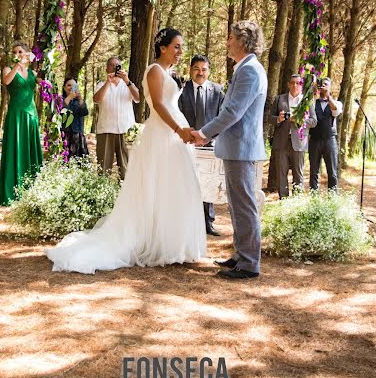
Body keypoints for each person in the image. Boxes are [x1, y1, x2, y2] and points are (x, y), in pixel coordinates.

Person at [46, 28, 206, 273]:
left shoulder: (169, 72)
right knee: (157, 185)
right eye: (176, 46)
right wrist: (178, 129)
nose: (180, 51)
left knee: (175, 186)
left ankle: (173, 243)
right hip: (162, 133)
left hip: (174, 133)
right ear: (162, 47)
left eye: (181, 46)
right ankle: (155, 242)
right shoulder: (154, 70)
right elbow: (159, 106)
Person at [192, 21, 267, 281]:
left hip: (242, 148)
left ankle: (249, 263)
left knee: (244, 205)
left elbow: (233, 112)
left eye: (231, 38)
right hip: (235, 147)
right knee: (236, 205)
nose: (227, 42)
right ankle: (240, 254)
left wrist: (203, 133)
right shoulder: (245, 68)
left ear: (243, 41)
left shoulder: (250, 71)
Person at [178, 54, 224, 235]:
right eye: (196, 69)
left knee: (208, 182)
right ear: (190, 70)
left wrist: (209, 138)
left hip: (210, 145)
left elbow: (222, 118)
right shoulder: (182, 90)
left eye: (204, 69)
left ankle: (208, 222)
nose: (200, 73)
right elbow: (178, 115)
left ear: (209, 71)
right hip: (186, 144)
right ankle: (187, 222)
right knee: (187, 182)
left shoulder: (218, 91)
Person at [0, 41, 43, 206]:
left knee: (30, 149)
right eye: (14, 51)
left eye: (20, 51)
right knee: (15, 149)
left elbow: (44, 82)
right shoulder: (8, 69)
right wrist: (17, 65)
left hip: (31, 115)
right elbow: (7, 82)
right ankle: (12, 190)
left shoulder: (32, 72)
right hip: (16, 115)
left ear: (26, 54)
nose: (16, 54)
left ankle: (32, 190)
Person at [270, 74, 317, 198]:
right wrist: (279, 119)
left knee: (298, 175)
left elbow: (314, 121)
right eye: (292, 82)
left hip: (299, 142)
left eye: (298, 83)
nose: (295, 85)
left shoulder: (307, 101)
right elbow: (269, 118)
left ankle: (296, 203)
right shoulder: (279, 99)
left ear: (302, 85)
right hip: (281, 142)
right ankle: (283, 202)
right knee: (281, 174)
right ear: (288, 84)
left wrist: (301, 120)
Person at [93, 57, 140, 179]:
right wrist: (108, 82)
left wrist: (127, 80)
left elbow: (138, 98)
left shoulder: (127, 85)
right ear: (106, 68)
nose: (114, 68)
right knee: (103, 167)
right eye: (112, 65)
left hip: (126, 130)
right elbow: (96, 99)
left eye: (117, 65)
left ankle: (127, 195)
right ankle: (102, 195)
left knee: (126, 168)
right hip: (105, 129)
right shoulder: (101, 85)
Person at [309, 77, 343, 190]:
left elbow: (336, 111)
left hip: (330, 140)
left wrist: (328, 97)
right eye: (322, 84)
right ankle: (314, 198)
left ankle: (332, 198)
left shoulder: (336, 102)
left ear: (330, 87)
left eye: (326, 84)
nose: (323, 86)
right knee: (314, 171)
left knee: (332, 171)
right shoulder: (313, 103)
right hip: (314, 140)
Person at [62, 77, 89, 158]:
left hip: (77, 134)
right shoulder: (61, 99)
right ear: (64, 88)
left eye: (74, 86)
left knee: (78, 160)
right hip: (65, 133)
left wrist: (80, 98)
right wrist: (69, 97)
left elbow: (84, 112)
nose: (71, 87)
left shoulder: (79, 101)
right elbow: (61, 112)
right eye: (68, 85)